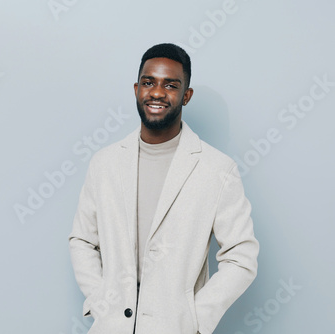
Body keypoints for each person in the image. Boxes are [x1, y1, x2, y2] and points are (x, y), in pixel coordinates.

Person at [68, 43, 259, 334]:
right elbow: (82, 240)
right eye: (148, 82)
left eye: (170, 85)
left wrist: (195, 318)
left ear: (186, 96)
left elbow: (241, 256)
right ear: (136, 89)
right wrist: (100, 301)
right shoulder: (104, 163)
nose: (157, 93)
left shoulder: (217, 169)